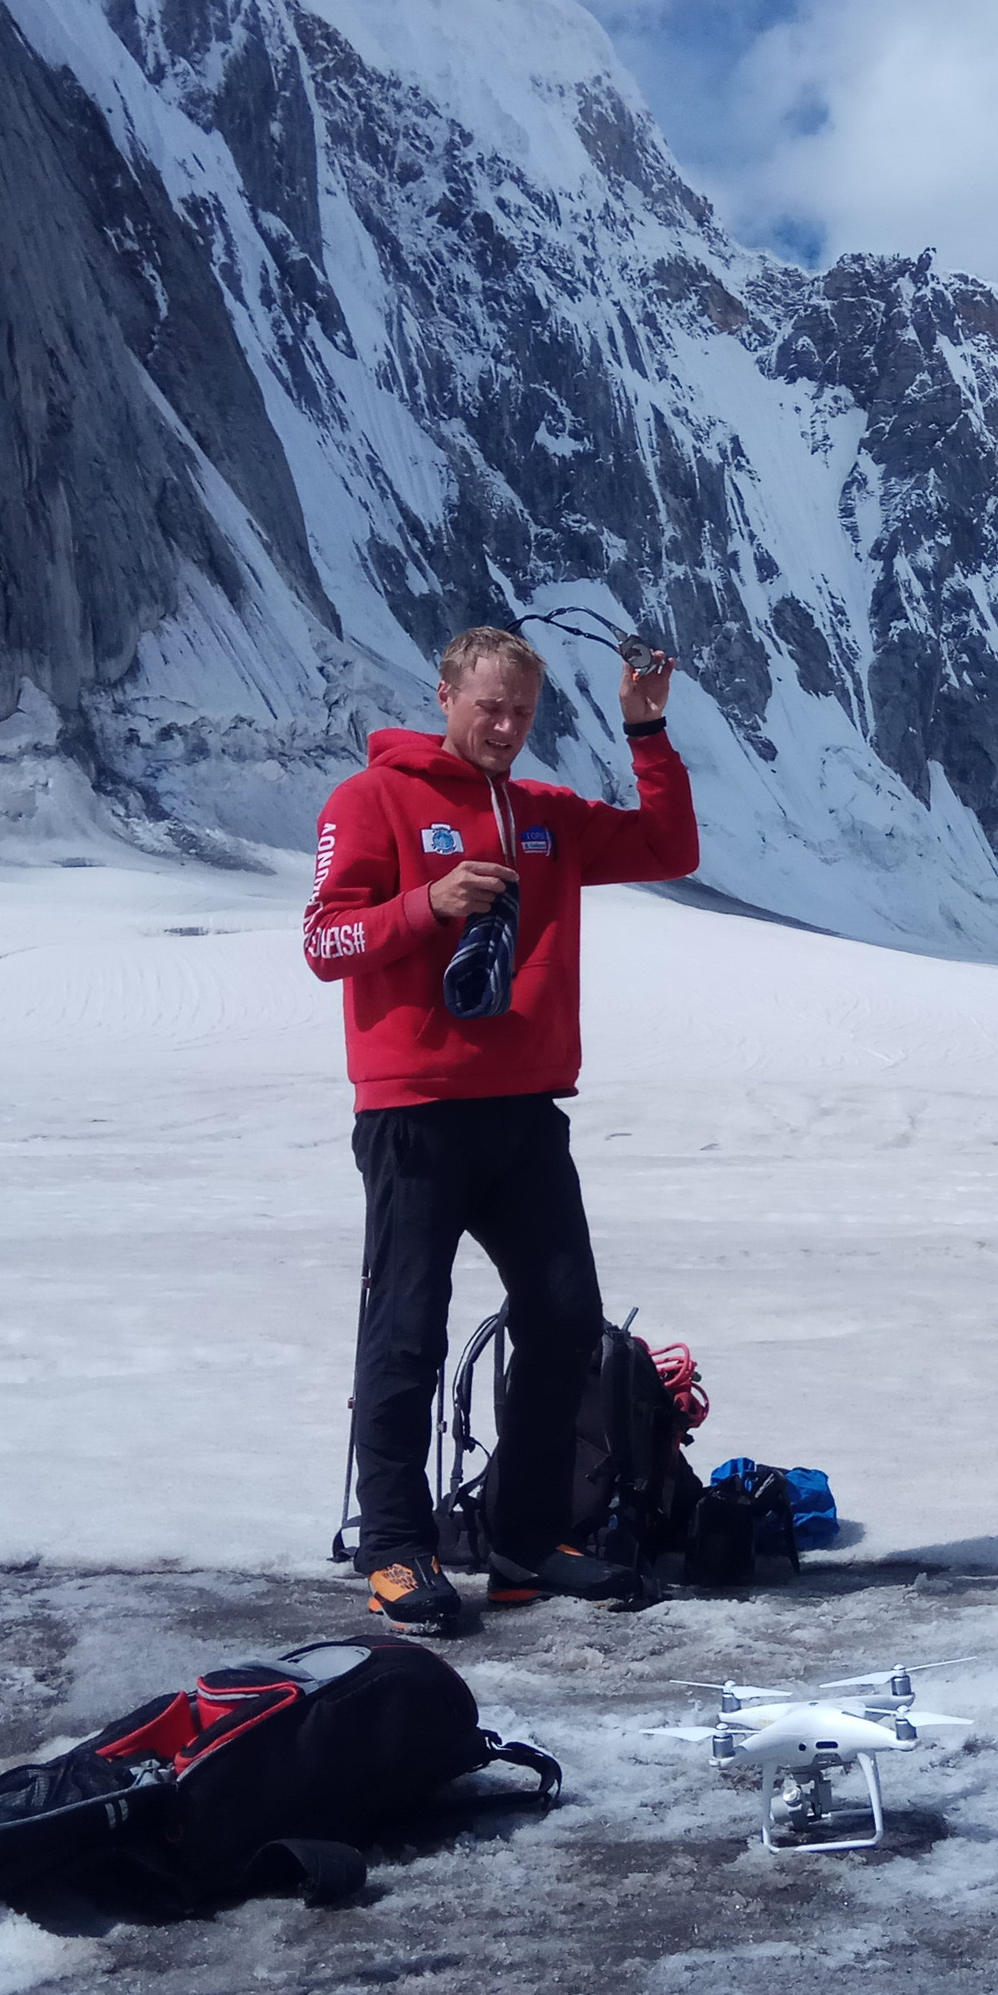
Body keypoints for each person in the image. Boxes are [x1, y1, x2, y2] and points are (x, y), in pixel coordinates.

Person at [303, 624, 698, 1634]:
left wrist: (645, 733)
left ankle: (525, 1543)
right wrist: (428, 904)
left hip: (525, 1109)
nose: (506, 727)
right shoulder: (369, 800)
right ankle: (397, 1549)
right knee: (406, 1331)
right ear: (444, 696)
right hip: (415, 1111)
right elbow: (325, 940)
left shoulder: (545, 814)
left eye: (522, 711)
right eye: (489, 706)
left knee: (564, 1322)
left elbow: (670, 848)